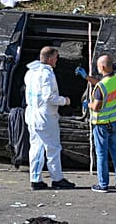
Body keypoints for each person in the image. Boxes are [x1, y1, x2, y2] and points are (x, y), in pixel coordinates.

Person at [24, 46, 76, 190]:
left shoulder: (31, 72)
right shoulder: (46, 74)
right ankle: (57, 178)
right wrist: (65, 100)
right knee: (53, 148)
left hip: (32, 114)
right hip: (45, 116)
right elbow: (48, 97)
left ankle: (35, 179)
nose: (57, 60)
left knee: (36, 147)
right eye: (56, 57)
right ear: (49, 58)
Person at [75, 55, 116, 193]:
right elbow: (102, 84)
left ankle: (103, 185)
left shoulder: (101, 87)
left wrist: (87, 104)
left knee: (101, 154)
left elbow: (97, 105)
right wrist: (86, 78)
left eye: (98, 66)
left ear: (102, 67)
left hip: (101, 125)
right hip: (115, 123)